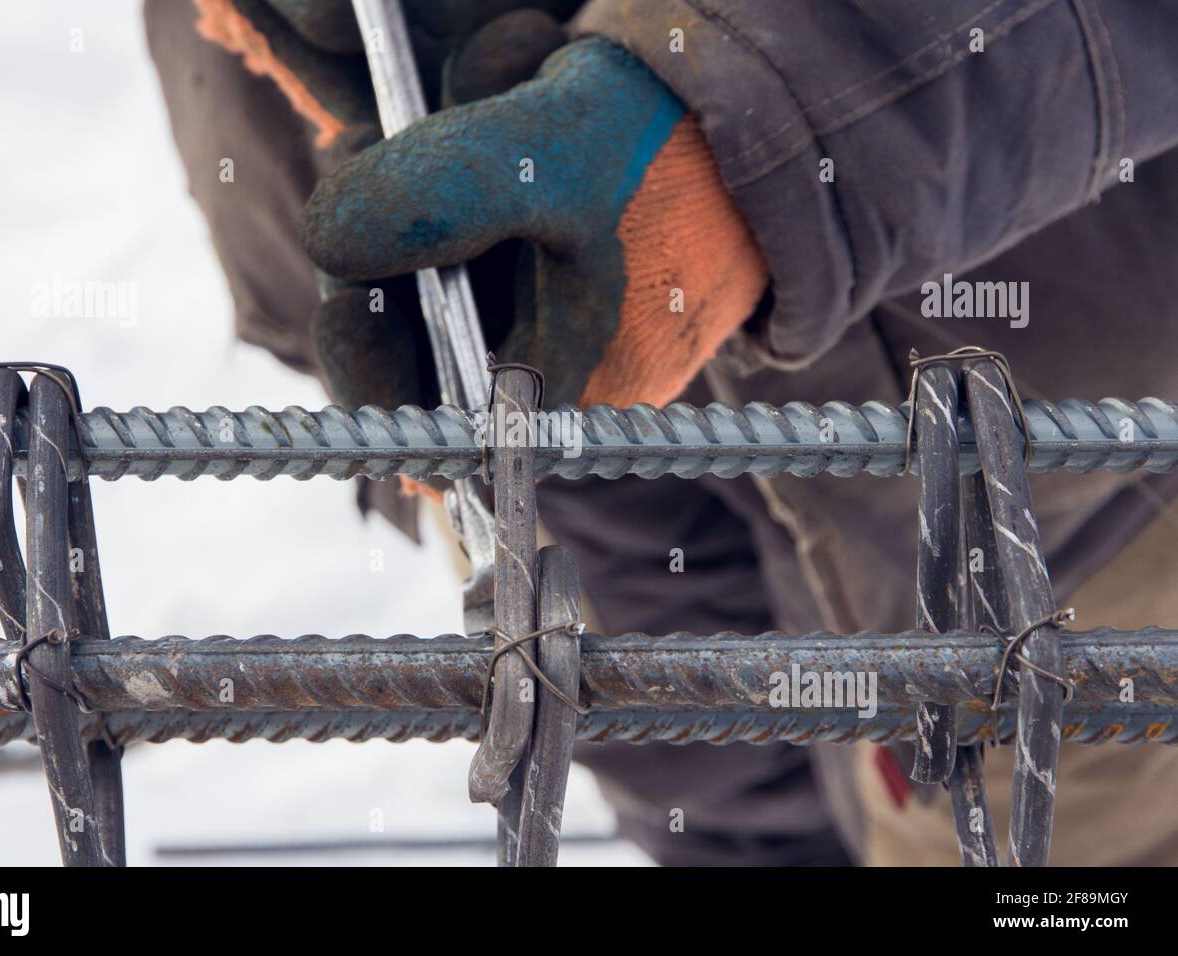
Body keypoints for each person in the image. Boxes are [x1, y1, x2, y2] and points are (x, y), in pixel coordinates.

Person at [146, 0, 1178, 865]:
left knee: (1023, 826)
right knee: (710, 791)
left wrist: (761, 120)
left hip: (1054, 493)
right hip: (518, 392)